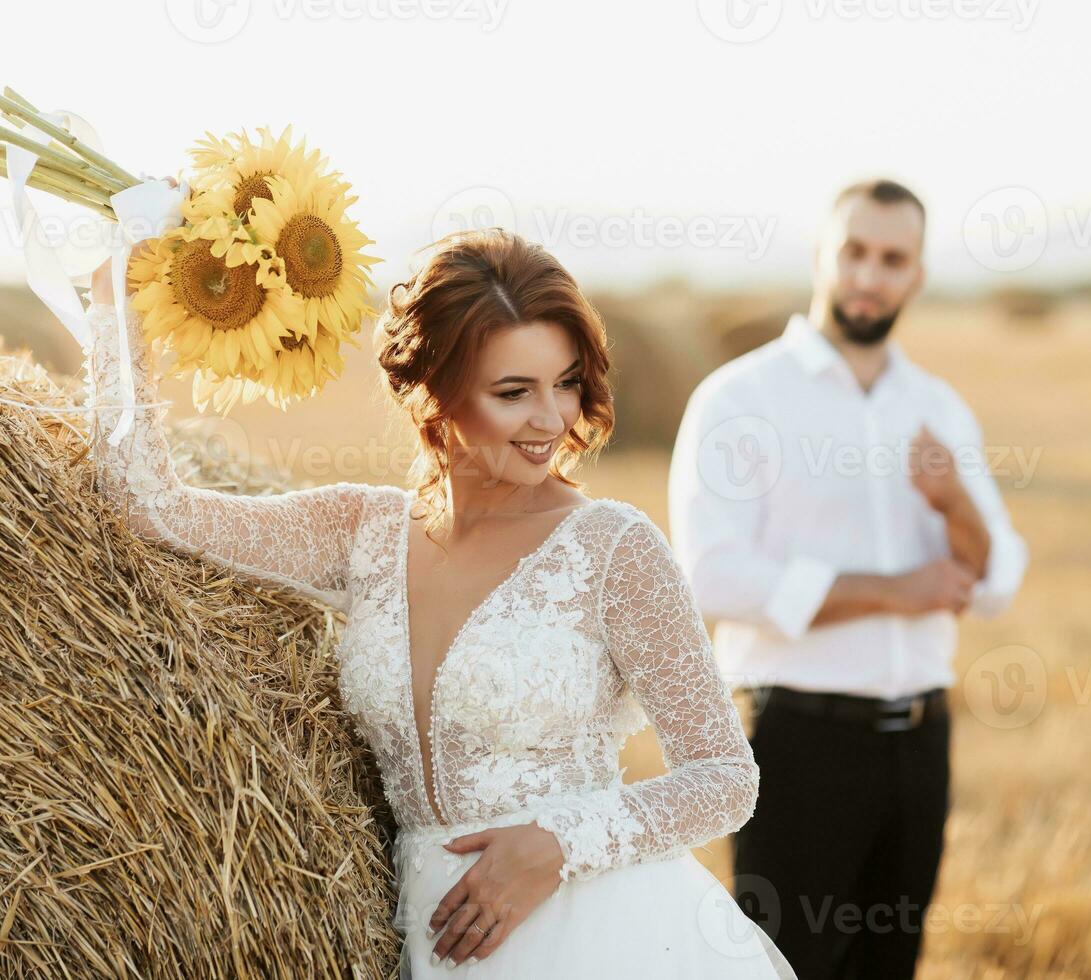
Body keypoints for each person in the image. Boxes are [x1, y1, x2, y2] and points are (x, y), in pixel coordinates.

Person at [84, 226, 797, 978]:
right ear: (435, 392)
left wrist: (557, 844)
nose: (551, 420)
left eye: (566, 382)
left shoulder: (614, 550)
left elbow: (723, 777)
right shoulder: (361, 533)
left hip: (603, 929)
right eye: (513, 392)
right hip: (439, 941)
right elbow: (150, 507)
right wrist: (113, 298)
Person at [667, 179, 1029, 979]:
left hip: (921, 745)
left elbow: (997, 577)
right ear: (822, 257)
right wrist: (894, 591)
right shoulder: (739, 398)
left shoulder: (939, 407)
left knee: (890, 966)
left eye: (892, 259)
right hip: (797, 742)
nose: (870, 275)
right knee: (782, 967)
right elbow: (712, 576)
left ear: (917, 276)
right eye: (854, 252)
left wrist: (957, 500)